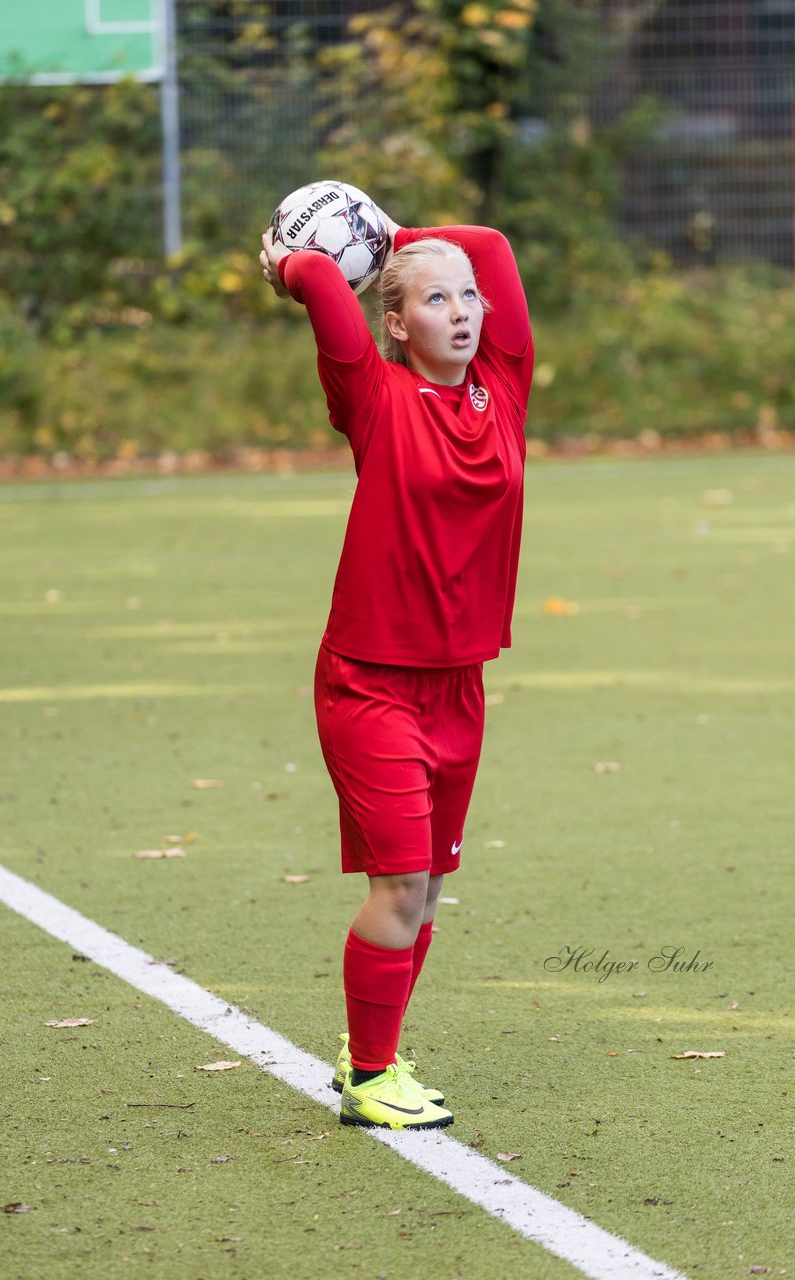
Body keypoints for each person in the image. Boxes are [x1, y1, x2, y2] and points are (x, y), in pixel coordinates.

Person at [260, 204, 533, 1130]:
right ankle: (371, 1078)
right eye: (434, 300)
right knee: (402, 886)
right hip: (370, 680)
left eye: (467, 300)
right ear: (396, 321)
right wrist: (299, 262)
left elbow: (491, 247)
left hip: (460, 684)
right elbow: (317, 283)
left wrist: (393, 230)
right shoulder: (372, 397)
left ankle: (371, 1050)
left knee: (431, 890)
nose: (462, 310)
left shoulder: (504, 385)